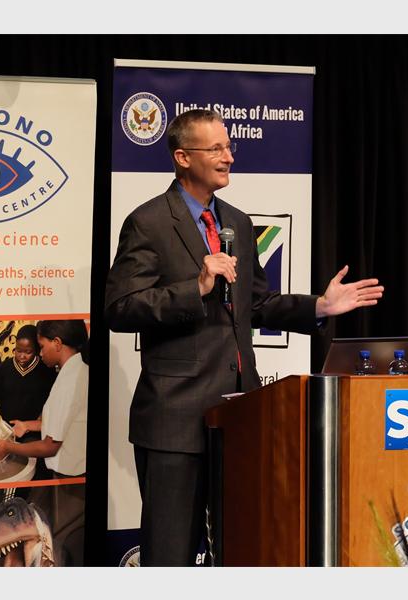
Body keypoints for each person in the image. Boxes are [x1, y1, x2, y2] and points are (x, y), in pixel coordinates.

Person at [104, 109, 384, 566]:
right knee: (170, 558)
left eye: (229, 146)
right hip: (175, 420)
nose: (229, 156)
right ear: (182, 157)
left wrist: (320, 306)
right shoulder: (149, 222)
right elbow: (120, 308)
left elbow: (256, 304)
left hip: (240, 417)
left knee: (242, 551)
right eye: (215, 148)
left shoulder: (236, 222)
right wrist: (195, 288)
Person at [0, 320, 89, 478]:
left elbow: (50, 446)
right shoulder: (73, 373)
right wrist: (26, 425)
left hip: (66, 470)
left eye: (41, 347)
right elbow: (59, 423)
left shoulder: (67, 381)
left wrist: (8, 447)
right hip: (16, 433)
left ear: (57, 343)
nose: (41, 353)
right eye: (18, 350)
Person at [0, 324, 57, 443]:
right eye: (18, 350)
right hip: (6, 429)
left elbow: (51, 403)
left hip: (32, 433)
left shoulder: (46, 369)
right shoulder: (5, 367)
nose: (22, 356)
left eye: (28, 352)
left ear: (37, 350)